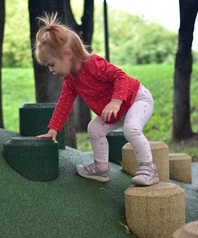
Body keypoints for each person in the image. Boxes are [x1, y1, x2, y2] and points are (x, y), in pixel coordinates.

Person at [34, 13, 159, 186]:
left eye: (51, 64)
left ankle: (148, 168)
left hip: (137, 99)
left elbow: (120, 77)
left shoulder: (94, 64)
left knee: (131, 129)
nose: (51, 70)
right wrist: (53, 128)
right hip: (118, 110)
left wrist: (116, 101)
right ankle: (101, 168)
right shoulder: (71, 80)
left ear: (67, 54)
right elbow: (64, 102)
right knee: (94, 128)